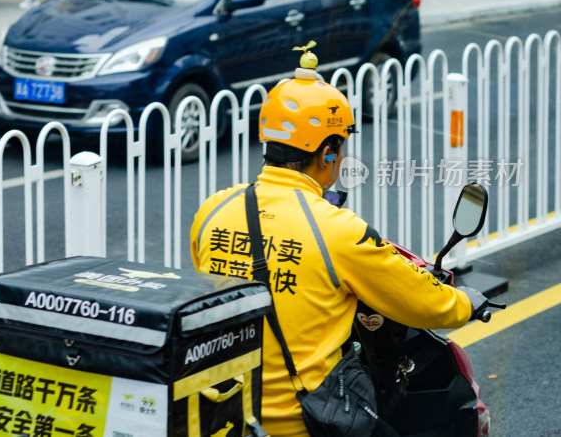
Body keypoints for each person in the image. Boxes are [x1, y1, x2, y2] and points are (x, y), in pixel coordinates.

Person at [189, 46, 487, 436]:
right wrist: (466, 302)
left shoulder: (212, 211)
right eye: (340, 146)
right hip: (301, 422)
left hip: (221, 417)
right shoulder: (338, 230)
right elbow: (425, 304)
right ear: (328, 152)